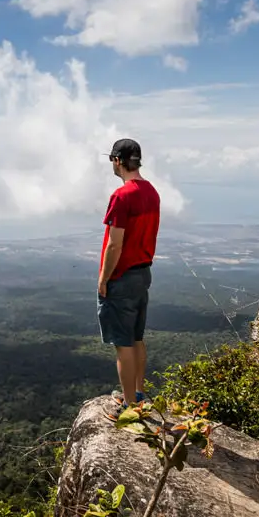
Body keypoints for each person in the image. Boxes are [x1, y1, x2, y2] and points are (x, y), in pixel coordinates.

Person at [97, 138, 161, 417]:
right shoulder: (152, 192)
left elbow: (115, 244)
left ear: (118, 161)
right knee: (136, 337)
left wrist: (103, 279)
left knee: (122, 344)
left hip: (122, 277)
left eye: (112, 159)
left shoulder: (122, 197)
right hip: (142, 273)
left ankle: (129, 406)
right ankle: (137, 393)